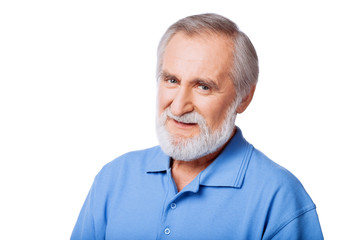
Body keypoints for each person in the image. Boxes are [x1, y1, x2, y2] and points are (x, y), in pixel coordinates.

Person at [71, 13, 323, 239]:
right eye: (171, 80)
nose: (179, 107)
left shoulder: (280, 198)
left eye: (203, 86)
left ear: (244, 97)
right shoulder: (114, 178)